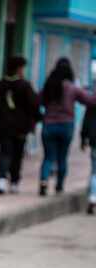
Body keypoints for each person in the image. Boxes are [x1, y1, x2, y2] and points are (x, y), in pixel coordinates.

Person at [39, 57, 96, 196]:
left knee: (48, 157)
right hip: (66, 126)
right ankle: (59, 186)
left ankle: (44, 179)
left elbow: (36, 100)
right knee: (62, 157)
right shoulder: (71, 88)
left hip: (49, 125)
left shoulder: (49, 86)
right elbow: (90, 100)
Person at [0, 54, 40, 195]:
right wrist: (35, 121)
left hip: (3, 127)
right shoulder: (25, 86)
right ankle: (14, 183)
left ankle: (1, 180)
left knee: (5, 154)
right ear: (19, 68)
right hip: (20, 127)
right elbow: (34, 105)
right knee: (17, 155)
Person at [80, 102, 96, 213]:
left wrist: (83, 139)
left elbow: (85, 124)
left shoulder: (91, 106)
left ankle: (93, 195)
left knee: (94, 173)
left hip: (94, 144)